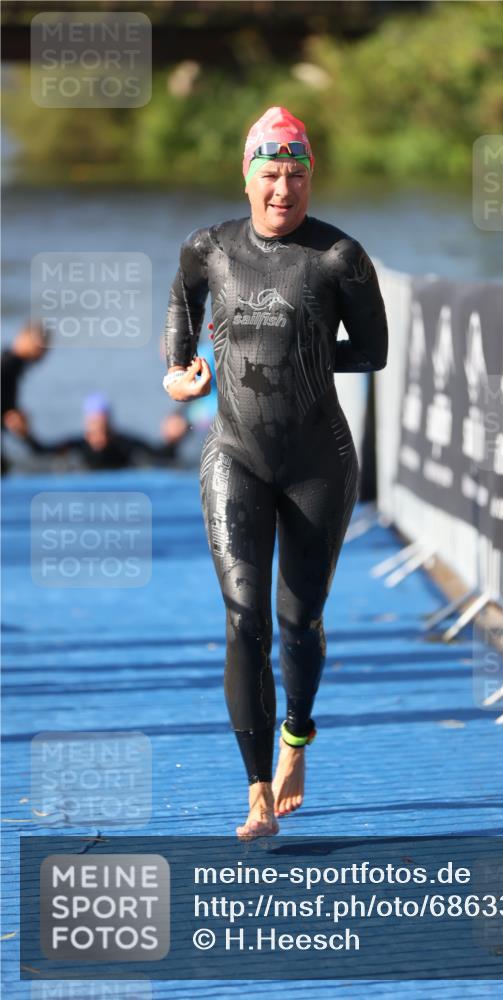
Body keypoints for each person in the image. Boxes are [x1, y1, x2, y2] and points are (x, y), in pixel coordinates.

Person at [162, 106, 388, 840]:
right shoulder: (211, 248)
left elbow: (373, 350)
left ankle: (296, 739)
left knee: (299, 621)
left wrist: (309, 355)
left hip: (318, 461)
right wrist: (178, 371)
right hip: (235, 455)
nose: (283, 190)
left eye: (295, 175)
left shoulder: (338, 257)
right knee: (242, 620)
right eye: (270, 174)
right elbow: (181, 304)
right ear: (247, 175)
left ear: (308, 177)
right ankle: (256, 790)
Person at [24, 392, 189, 470]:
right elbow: (41, 453)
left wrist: (174, 439)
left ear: (109, 422)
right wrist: (25, 435)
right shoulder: (78, 445)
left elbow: (162, 457)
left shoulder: (124, 443)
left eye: (101, 421)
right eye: (94, 421)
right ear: (87, 422)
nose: (98, 426)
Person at [1, 321, 49, 474]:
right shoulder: (9, 364)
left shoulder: (15, 365)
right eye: (41, 345)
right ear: (23, 338)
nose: (43, 352)